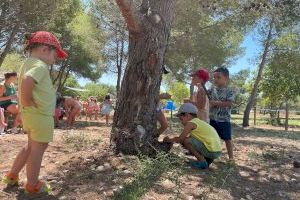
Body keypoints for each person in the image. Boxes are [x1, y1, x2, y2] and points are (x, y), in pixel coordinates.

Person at [2, 31, 68, 194]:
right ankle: (32, 185)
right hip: (40, 115)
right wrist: (27, 102)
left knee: (30, 146)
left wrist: (24, 107)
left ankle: (12, 175)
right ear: (45, 49)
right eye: (55, 55)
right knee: (38, 148)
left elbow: (26, 81)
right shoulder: (39, 65)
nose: (55, 60)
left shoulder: (27, 63)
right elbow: (27, 81)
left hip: (31, 115)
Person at [164, 103, 221, 169]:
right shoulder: (199, 122)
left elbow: (180, 139)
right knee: (190, 139)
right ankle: (207, 159)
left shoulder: (190, 123)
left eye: (181, 119)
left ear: (187, 115)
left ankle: (202, 161)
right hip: (216, 151)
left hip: (212, 151)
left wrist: (168, 140)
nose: (181, 122)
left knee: (186, 141)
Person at [208, 67, 235, 161]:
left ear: (226, 78)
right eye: (214, 77)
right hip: (212, 119)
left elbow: (229, 103)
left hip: (224, 120)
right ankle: (215, 156)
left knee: (227, 139)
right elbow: (205, 97)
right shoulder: (211, 90)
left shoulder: (230, 91)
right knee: (214, 138)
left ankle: (231, 158)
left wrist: (215, 103)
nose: (215, 79)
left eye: (218, 77)